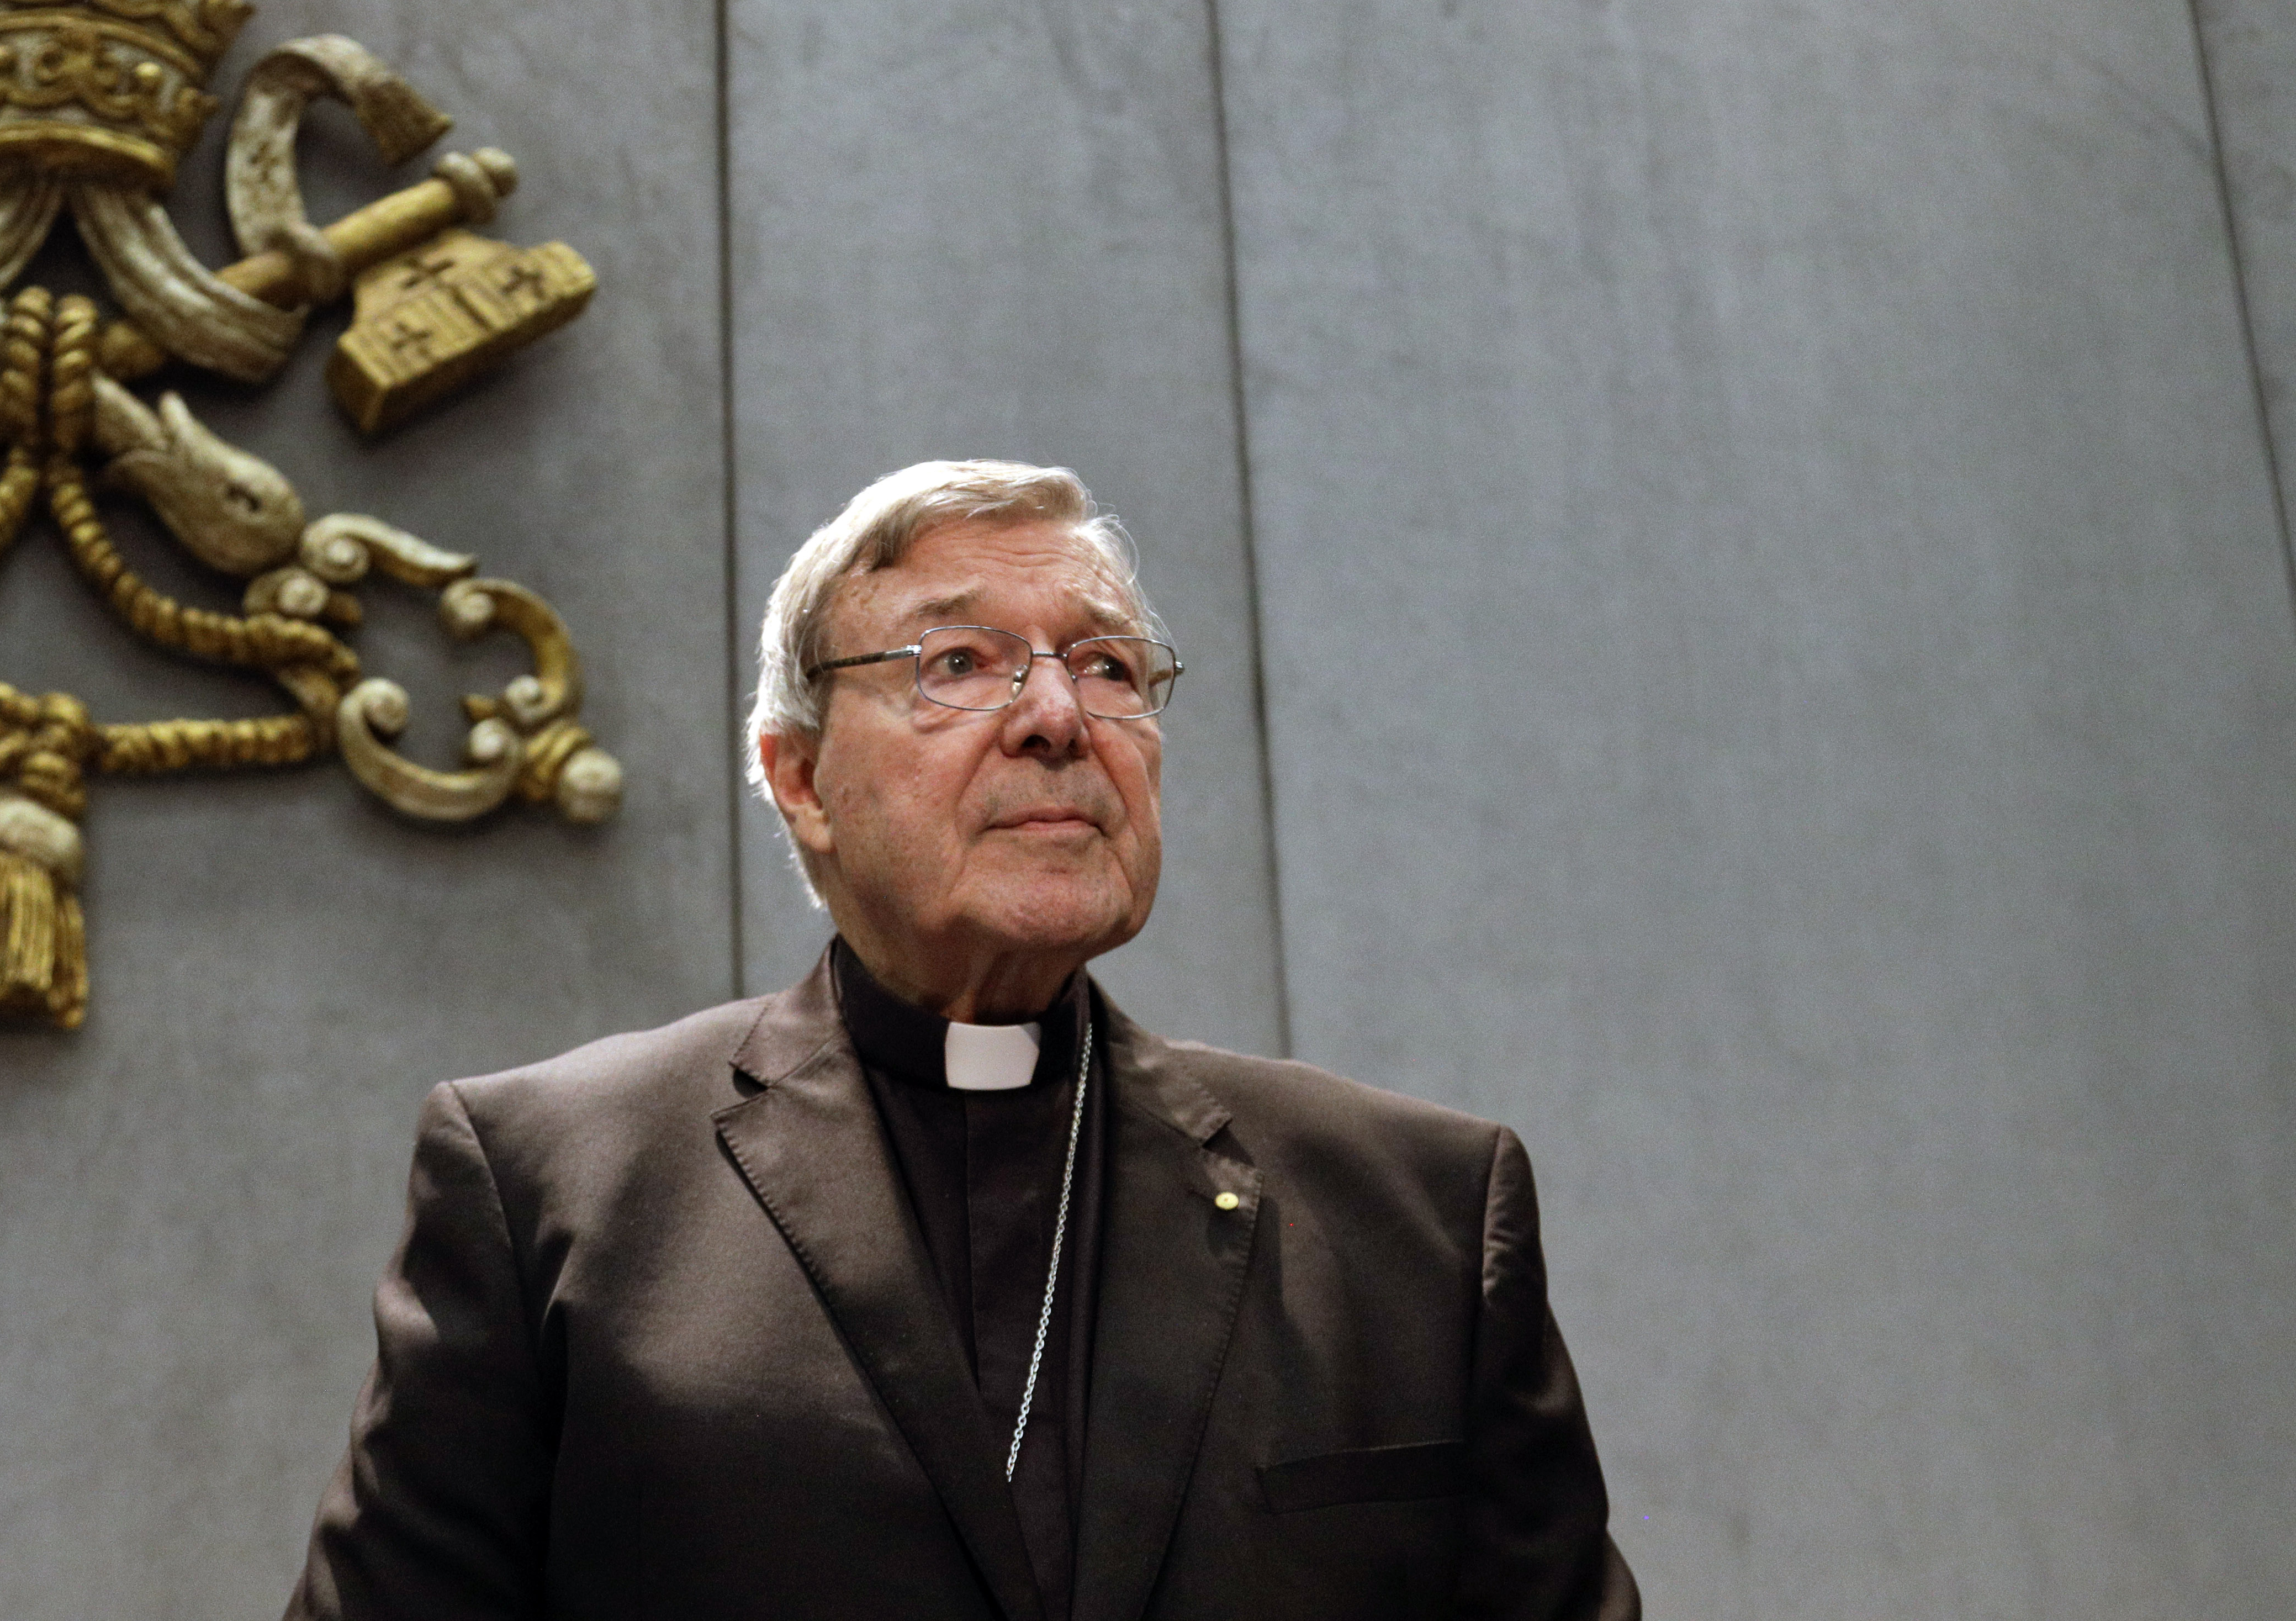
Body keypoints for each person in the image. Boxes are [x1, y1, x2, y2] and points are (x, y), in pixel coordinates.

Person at [290, 460, 1638, 1621]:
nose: (1057, 717)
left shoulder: (1419, 1216)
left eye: (1106, 665)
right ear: (803, 779)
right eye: (958, 664)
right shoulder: (552, 1187)